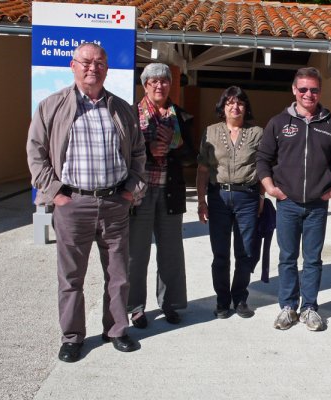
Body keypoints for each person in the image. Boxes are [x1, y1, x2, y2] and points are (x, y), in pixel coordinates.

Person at [26, 43, 146, 362]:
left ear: (107, 68)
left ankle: (117, 330)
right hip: (73, 203)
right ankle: (72, 337)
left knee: (119, 274)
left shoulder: (122, 108)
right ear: (73, 65)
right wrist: (57, 194)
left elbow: (138, 154)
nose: (93, 67)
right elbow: (35, 153)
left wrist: (130, 191)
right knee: (70, 277)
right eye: (86, 62)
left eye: (100, 62)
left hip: (114, 203)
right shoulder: (52, 106)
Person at [256, 67, 331, 331]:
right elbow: (263, 159)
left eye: (314, 89)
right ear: (294, 90)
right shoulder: (279, 122)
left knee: (313, 258)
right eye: (303, 89)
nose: (309, 94)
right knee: (287, 256)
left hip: (318, 205)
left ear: (320, 91)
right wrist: (271, 189)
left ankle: (309, 308)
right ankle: (287, 307)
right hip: (288, 203)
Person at [127, 63, 196, 329]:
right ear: (145, 85)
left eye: (164, 81)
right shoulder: (132, 114)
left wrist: (174, 145)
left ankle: (170, 304)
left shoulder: (180, 116)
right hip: (140, 193)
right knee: (136, 253)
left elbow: (191, 156)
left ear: (171, 85)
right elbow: (122, 151)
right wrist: (148, 148)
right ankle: (134, 307)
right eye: (153, 81)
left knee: (171, 252)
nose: (159, 86)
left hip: (171, 190)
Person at [196, 86, 264, 319]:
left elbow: (263, 167)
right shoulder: (210, 132)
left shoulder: (257, 133)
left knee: (245, 252)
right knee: (220, 253)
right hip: (218, 197)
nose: (235, 107)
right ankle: (222, 300)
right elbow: (203, 169)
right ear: (223, 107)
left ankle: (240, 298)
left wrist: (263, 196)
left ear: (246, 107)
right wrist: (201, 200)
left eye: (240, 103)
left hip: (247, 197)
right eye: (230, 103)